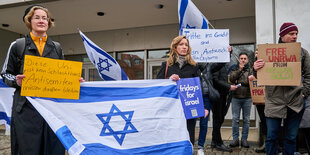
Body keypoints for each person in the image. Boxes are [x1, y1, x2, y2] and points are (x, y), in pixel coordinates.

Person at [1, 5, 84, 155]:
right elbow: (5, 74)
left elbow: (62, 76)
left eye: (45, 18)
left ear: (49, 23)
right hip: (25, 110)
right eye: (37, 17)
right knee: (27, 150)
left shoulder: (57, 48)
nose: (42, 21)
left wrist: (73, 81)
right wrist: (16, 82)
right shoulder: (17, 45)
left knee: (53, 149)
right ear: (29, 21)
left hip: (52, 110)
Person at [254, 22, 310, 155]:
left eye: (296, 34)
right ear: (282, 35)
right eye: (291, 34)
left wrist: (303, 94)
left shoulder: (303, 53)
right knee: (272, 137)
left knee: (290, 138)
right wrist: (255, 68)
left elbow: (309, 76)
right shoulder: (268, 52)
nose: (295, 36)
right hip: (274, 101)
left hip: (295, 101)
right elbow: (259, 75)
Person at [156, 35, 208, 148]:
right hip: (171, 108)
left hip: (189, 108)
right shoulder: (166, 65)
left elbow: (198, 88)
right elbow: (157, 85)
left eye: (186, 45)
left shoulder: (194, 66)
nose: (184, 47)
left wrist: (202, 107)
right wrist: (168, 80)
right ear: (175, 47)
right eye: (181, 44)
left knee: (189, 136)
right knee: (172, 136)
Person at [229, 52, 253, 148]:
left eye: (245, 58)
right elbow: (231, 79)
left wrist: (239, 81)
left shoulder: (251, 70)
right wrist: (239, 70)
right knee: (235, 119)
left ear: (247, 60)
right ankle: (235, 140)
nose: (243, 60)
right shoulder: (234, 68)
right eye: (241, 58)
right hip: (236, 98)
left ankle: (244, 139)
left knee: (246, 120)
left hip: (247, 97)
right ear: (239, 59)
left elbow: (252, 81)